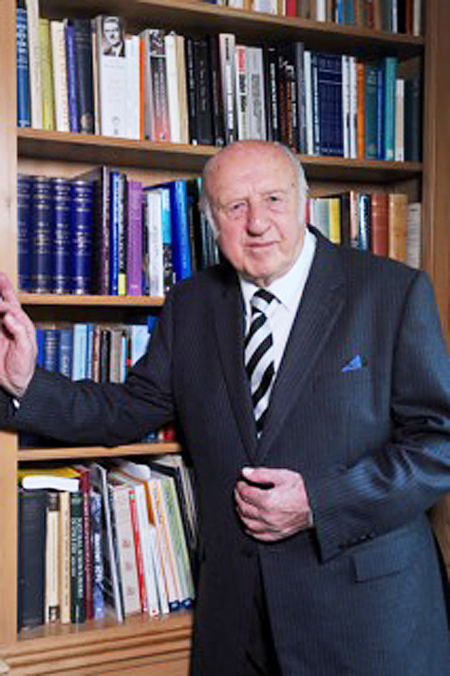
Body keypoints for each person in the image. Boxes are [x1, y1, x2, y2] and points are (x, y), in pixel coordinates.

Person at [1, 141, 450, 675]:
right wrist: (24, 381)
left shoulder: (391, 293)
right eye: (235, 206)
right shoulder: (191, 304)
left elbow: (438, 443)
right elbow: (128, 409)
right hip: (236, 623)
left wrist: (319, 502)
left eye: (273, 199)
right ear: (212, 221)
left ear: (303, 202)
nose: (257, 223)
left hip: (365, 622)